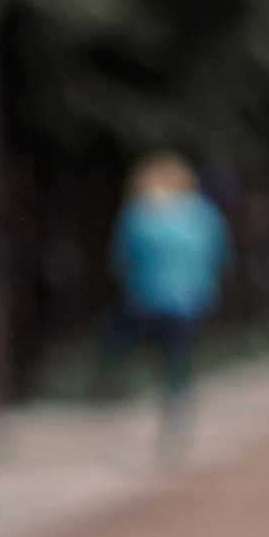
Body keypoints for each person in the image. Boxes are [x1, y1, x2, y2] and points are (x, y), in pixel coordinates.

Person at [98, 154, 231, 448]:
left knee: (134, 350)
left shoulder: (137, 214)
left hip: (145, 300)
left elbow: (119, 261)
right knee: (178, 359)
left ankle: (116, 391)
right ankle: (176, 407)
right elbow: (220, 257)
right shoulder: (203, 213)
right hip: (193, 301)